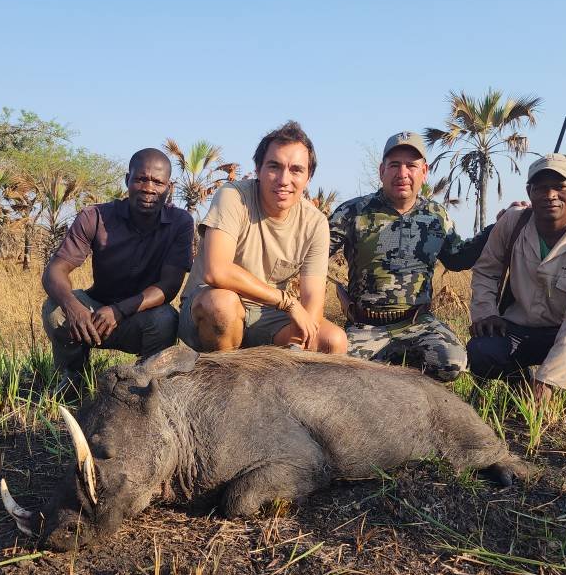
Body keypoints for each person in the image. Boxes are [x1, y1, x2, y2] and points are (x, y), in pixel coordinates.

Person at [467, 153, 566, 411]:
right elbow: (487, 271)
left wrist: (548, 381)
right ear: (529, 191)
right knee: (482, 350)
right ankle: (518, 386)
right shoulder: (513, 222)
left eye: (560, 186)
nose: (549, 194)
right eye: (540, 187)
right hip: (520, 328)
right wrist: (486, 312)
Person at [328, 131, 492, 381]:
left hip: (418, 322)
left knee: (452, 363)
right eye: (394, 165)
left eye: (411, 166)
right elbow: (315, 254)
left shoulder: (437, 215)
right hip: (366, 325)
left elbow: (458, 259)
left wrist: (495, 229)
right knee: (342, 377)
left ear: (424, 172)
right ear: (382, 170)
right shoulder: (352, 212)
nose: (402, 173)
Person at [178, 121, 347, 353]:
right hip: (208, 308)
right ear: (258, 169)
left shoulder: (315, 223)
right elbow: (216, 271)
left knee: (333, 341)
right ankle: (225, 382)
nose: (284, 179)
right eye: (274, 167)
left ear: (308, 177)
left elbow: (313, 304)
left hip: (268, 316)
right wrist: (287, 302)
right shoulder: (233, 196)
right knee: (222, 307)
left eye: (296, 170)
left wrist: (297, 344)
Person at [41, 148, 193, 390]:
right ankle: (73, 376)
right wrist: (74, 308)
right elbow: (55, 271)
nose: (148, 188)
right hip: (94, 315)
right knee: (55, 309)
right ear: (127, 180)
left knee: (166, 319)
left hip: (142, 317)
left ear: (169, 187)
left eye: (157, 182)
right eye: (141, 179)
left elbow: (170, 286)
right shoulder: (95, 216)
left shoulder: (180, 222)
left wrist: (120, 311)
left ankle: (146, 383)